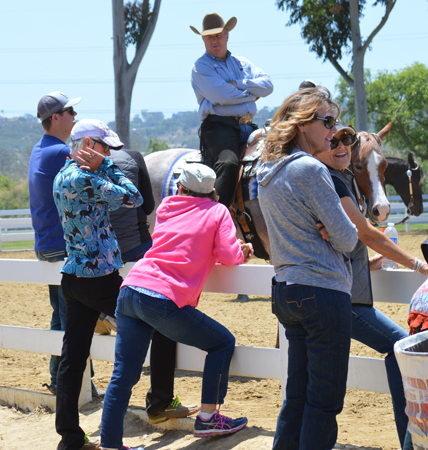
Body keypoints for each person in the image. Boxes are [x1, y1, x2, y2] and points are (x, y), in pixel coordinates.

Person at [100, 163, 253, 449]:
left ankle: (110, 445)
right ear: (212, 191)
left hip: (131, 289)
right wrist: (242, 251)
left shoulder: (167, 206)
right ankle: (208, 417)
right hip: (162, 297)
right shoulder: (217, 211)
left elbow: (180, 242)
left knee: (123, 375)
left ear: (180, 187)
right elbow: (229, 256)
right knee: (222, 343)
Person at [314, 123, 428, 448]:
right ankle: (411, 442)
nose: (342, 149)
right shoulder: (334, 181)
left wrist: (367, 262)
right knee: (399, 348)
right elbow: (365, 232)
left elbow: (342, 239)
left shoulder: (342, 180)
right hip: (345, 299)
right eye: (334, 142)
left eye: (346, 143)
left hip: (340, 292)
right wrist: (416, 263)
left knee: (313, 381)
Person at [257, 87, 359, 450]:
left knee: (297, 396)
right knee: (324, 401)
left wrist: (326, 227)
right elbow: (349, 240)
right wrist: (332, 230)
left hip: (287, 289)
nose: (334, 130)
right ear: (303, 124)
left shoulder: (266, 171)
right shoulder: (311, 169)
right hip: (322, 291)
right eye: (327, 121)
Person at [53, 119, 143, 450]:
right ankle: (156, 401)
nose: (109, 156)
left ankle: (71, 438)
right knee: (154, 323)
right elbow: (133, 198)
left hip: (73, 275)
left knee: (72, 359)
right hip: (99, 277)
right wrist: (105, 166)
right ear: (90, 145)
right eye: (106, 149)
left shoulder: (62, 174)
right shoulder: (86, 177)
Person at [108, 149, 199, 424]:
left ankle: (110, 434)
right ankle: (160, 400)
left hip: (101, 260)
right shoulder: (133, 157)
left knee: (123, 363)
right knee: (163, 325)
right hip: (139, 254)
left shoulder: (69, 169)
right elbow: (146, 206)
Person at [190, 13, 273, 207]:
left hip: (247, 125)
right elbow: (222, 95)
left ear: (227, 35)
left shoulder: (242, 63)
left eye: (218, 35)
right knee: (228, 164)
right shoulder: (201, 67)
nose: (214, 40)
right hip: (219, 127)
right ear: (203, 39)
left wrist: (237, 83)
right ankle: (216, 219)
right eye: (209, 36)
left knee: (280, 152)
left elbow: (268, 85)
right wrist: (252, 94)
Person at [29, 91, 81, 395]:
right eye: (70, 111)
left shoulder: (41, 148)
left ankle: (60, 379)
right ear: (56, 118)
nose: (74, 116)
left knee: (61, 315)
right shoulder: (60, 152)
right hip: (62, 245)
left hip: (47, 243)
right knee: (74, 316)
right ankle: (70, 383)